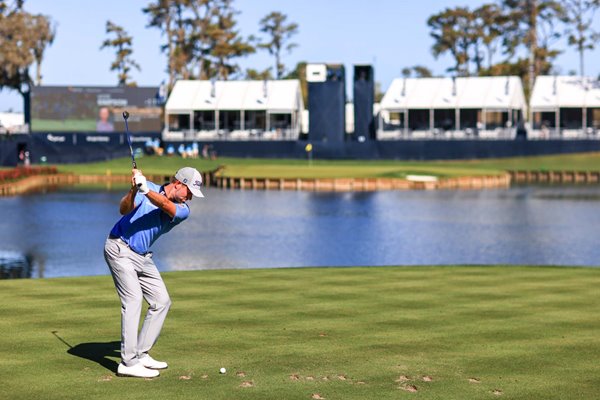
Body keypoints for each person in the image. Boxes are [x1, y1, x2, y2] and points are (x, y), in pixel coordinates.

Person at [103, 167, 204, 378]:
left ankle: (141, 353)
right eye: (190, 192)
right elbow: (123, 210)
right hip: (119, 248)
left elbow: (166, 204)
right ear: (179, 183)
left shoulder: (182, 209)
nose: (191, 198)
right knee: (133, 300)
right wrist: (134, 190)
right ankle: (128, 363)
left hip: (142, 257)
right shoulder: (145, 188)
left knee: (162, 301)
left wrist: (145, 190)